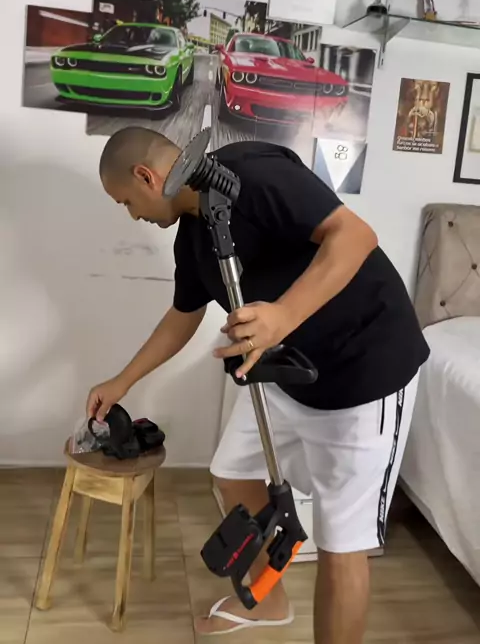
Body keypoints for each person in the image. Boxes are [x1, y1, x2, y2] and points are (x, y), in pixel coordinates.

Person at [87, 126, 429, 644]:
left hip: (366, 368)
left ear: (146, 176)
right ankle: (269, 602)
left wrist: (282, 316)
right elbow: (182, 316)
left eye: (127, 202)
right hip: (288, 370)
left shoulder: (254, 172)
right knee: (232, 472)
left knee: (342, 543)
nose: (133, 215)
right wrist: (122, 381)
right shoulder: (193, 236)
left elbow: (355, 235)